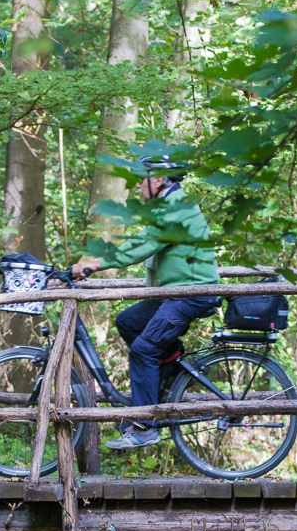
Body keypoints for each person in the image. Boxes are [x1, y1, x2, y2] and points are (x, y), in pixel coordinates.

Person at [70, 154, 219, 450]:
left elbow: (143, 246)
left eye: (141, 180)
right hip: (174, 293)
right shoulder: (168, 207)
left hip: (191, 294)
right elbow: (143, 239)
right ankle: (170, 369)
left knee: (143, 350)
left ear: (159, 179)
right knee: (128, 322)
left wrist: (95, 263)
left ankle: (146, 427)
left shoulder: (176, 208)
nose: (138, 186)